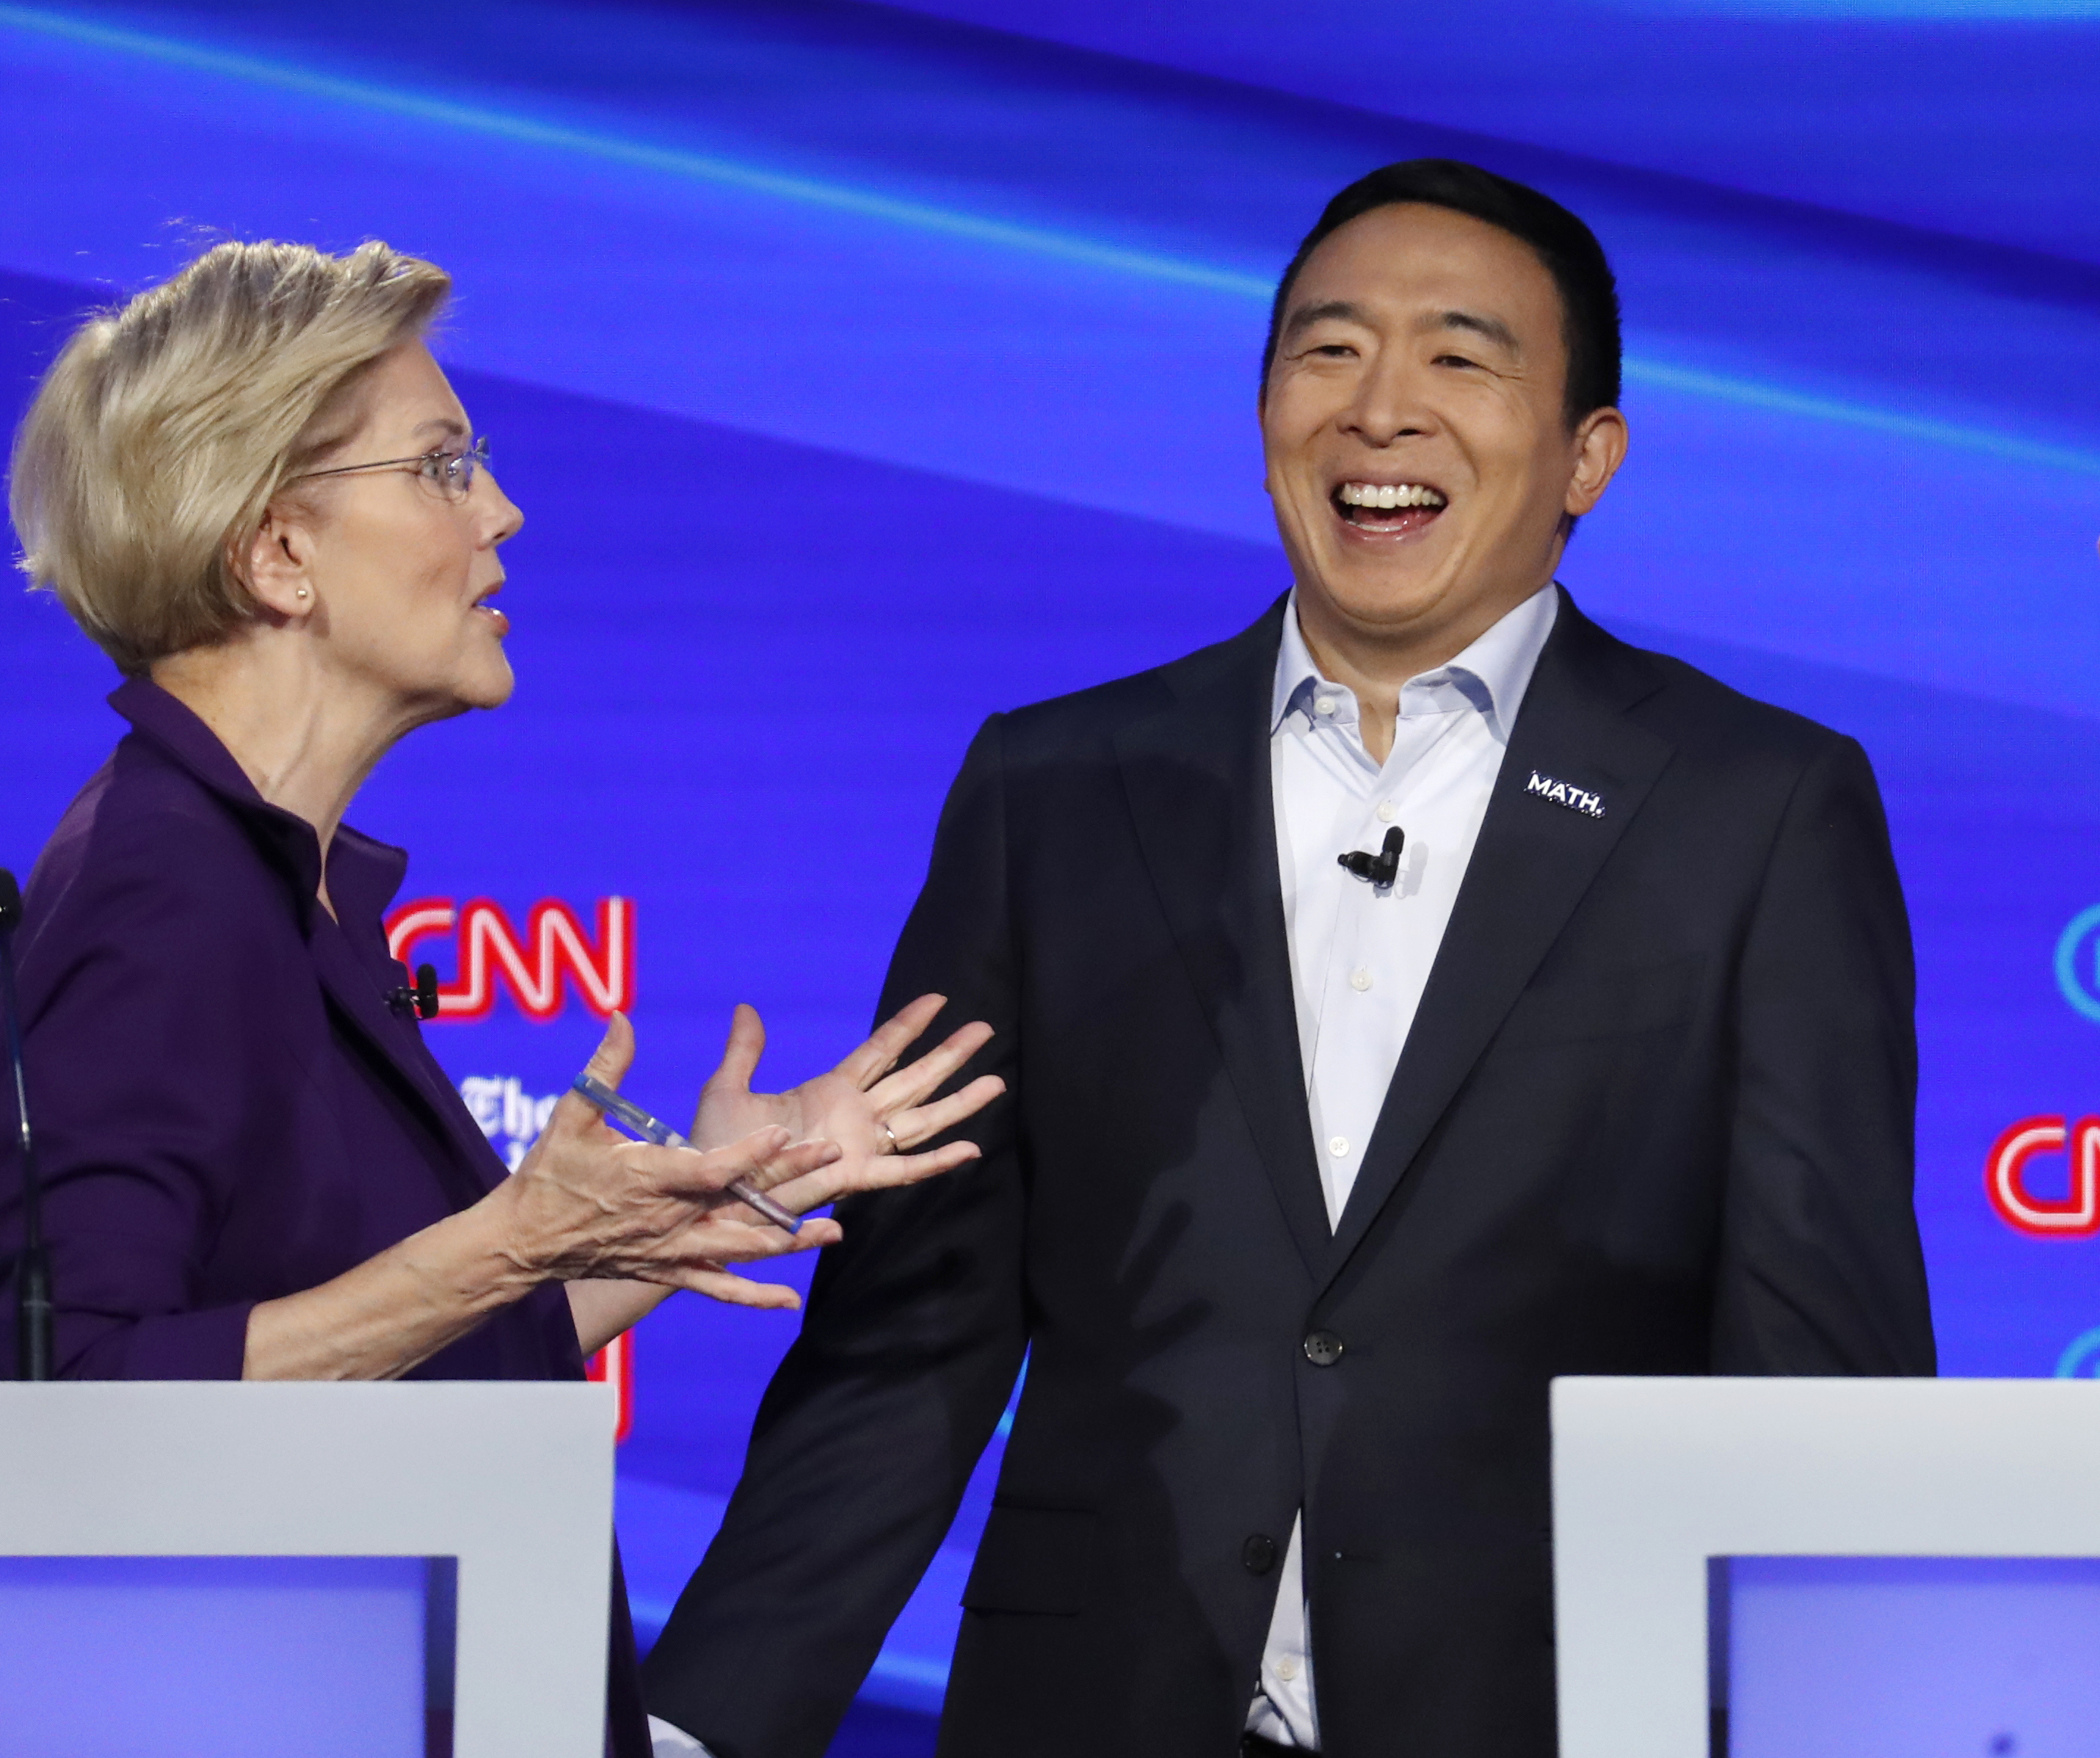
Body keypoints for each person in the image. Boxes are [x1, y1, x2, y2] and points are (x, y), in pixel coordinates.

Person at [641, 160, 1936, 1758]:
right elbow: (914, 1336)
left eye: (1460, 358)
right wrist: (692, 1731)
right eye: (1327, 351)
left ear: (1585, 455)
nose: (1379, 409)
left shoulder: (1755, 808)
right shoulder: (1055, 788)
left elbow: (1820, 1372)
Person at [0, 239, 1001, 1757]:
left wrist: (702, 1203)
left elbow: (394, 1364)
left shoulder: (277, 885)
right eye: (444, 468)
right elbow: (84, 1402)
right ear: (276, 554)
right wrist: (506, 1238)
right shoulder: (162, 882)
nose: (502, 511)